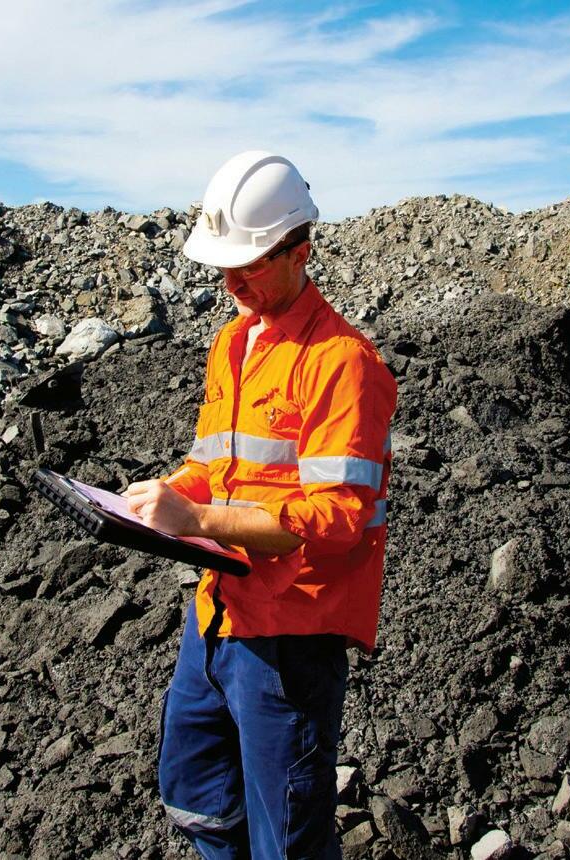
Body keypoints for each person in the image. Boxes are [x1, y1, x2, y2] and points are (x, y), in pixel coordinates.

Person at [123, 151, 397, 859]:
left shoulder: (343, 363)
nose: (229, 283)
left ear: (298, 251)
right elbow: (211, 467)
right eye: (222, 266)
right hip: (218, 614)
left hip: (290, 638)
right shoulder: (233, 343)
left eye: (245, 266)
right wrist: (156, 502)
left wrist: (198, 521)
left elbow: (335, 521)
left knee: (288, 839)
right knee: (197, 796)